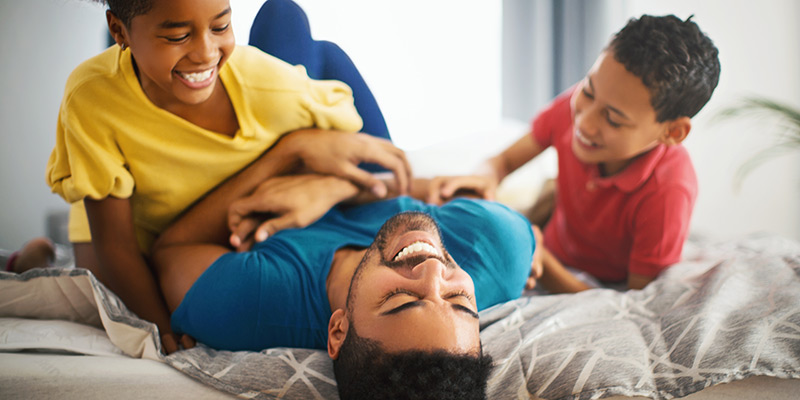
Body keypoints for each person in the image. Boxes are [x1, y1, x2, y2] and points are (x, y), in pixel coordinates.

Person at [43, 0, 411, 353]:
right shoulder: (90, 96)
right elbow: (117, 247)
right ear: (117, 30)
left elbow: (374, 155)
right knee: (88, 290)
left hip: (211, 218)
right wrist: (164, 328)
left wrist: (323, 177)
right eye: (177, 36)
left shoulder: (270, 86)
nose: (205, 52)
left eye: (221, 25)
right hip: (135, 225)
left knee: (284, 16)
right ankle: (31, 260)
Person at [149, 147, 540, 398]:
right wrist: (335, 186)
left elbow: (170, 249)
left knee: (281, 20)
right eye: (460, 300)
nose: (434, 270)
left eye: (404, 299)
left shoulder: (247, 305)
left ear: (338, 330)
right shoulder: (499, 250)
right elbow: (439, 191)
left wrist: (293, 152)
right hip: (370, 166)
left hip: (298, 152)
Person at [426, 15, 721, 293]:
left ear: (672, 132)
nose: (584, 121)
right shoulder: (575, 108)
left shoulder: (668, 191)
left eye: (613, 119)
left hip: (588, 282)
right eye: (588, 91)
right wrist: (484, 179)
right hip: (547, 242)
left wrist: (539, 258)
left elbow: (636, 299)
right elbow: (502, 162)